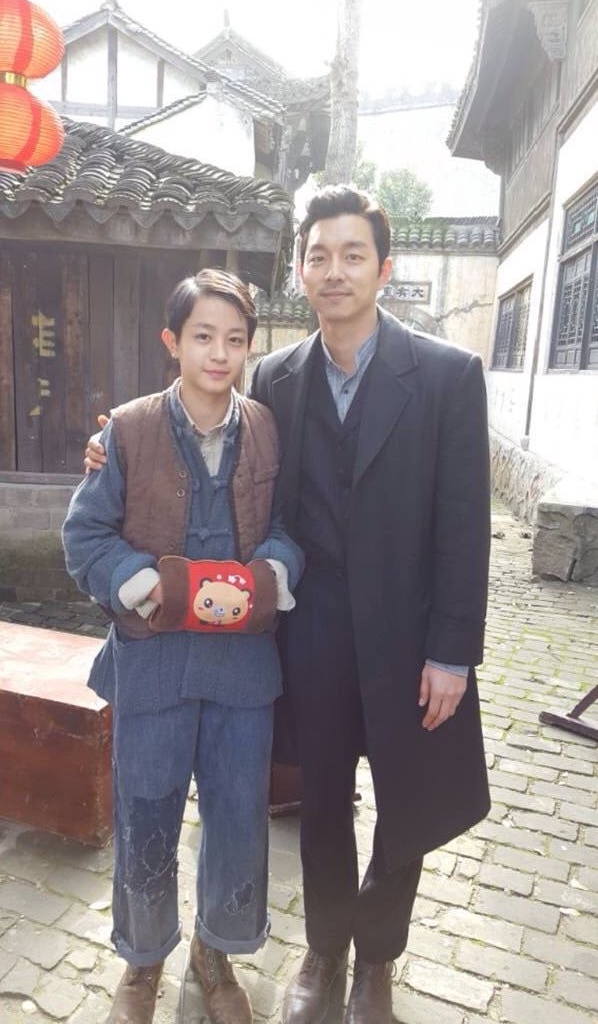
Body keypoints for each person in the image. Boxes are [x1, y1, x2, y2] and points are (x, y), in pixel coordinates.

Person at [86, 187, 491, 1024]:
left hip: (411, 637)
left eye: (353, 255)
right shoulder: (276, 377)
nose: (335, 271)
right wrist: (111, 444)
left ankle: (378, 959)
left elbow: (465, 523)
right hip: (311, 632)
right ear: (300, 272)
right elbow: (204, 427)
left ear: (384, 268)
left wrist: (452, 650)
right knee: (321, 802)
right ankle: (326, 947)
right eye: (319, 256)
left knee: (406, 803)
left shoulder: (448, 376)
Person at [64, 268, 304, 1024]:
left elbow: (288, 527)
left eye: (234, 339)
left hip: (242, 670)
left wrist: (272, 573)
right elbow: (86, 535)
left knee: (237, 815)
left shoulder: (267, 428)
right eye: (202, 336)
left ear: (250, 346)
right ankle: (142, 959)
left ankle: (216, 949)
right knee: (145, 811)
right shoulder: (127, 431)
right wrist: (140, 582)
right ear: (172, 341)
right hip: (154, 664)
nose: (218, 353)